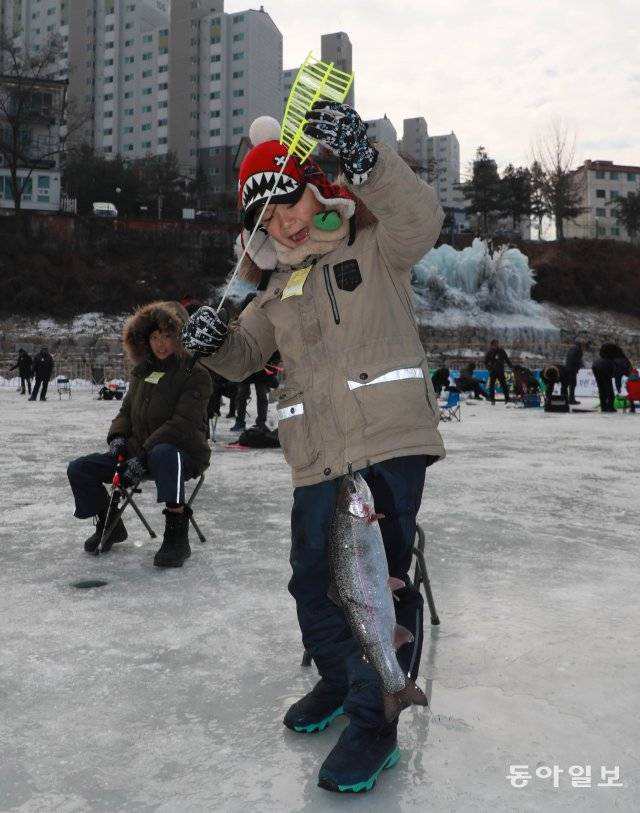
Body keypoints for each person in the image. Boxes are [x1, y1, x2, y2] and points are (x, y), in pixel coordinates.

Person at [182, 105, 445, 793]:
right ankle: (339, 676)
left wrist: (369, 162)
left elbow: (423, 220)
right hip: (315, 458)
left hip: (388, 443)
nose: (285, 223)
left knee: (379, 584)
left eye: (290, 201)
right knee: (312, 581)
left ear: (317, 189)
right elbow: (244, 357)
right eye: (266, 219)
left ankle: (376, 715)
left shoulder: (376, 244)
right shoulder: (275, 287)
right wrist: (212, 344)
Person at [67, 301, 212, 567]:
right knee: (80, 469)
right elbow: (125, 412)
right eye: (155, 337)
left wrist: (144, 456)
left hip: (183, 453)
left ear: (179, 337)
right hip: (138, 452)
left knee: (164, 453)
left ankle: (177, 538)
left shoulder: (196, 374)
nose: (161, 344)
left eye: (167, 336)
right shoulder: (142, 371)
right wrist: (118, 439)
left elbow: (182, 424)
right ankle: (109, 522)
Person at [484, 339, 512, 404]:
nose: (496, 345)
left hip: (500, 371)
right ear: (492, 345)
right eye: (494, 344)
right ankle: (492, 399)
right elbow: (486, 362)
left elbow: (506, 359)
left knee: (504, 385)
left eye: (497, 344)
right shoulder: (489, 352)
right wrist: (489, 368)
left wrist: (511, 366)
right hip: (493, 371)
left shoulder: (501, 351)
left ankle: (507, 398)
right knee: (491, 386)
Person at [564, 340, 583, 405]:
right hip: (572, 369)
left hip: (568, 368)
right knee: (573, 384)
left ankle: (570, 399)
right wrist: (580, 365)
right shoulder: (578, 350)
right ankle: (571, 400)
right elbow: (576, 360)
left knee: (570, 384)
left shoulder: (571, 349)